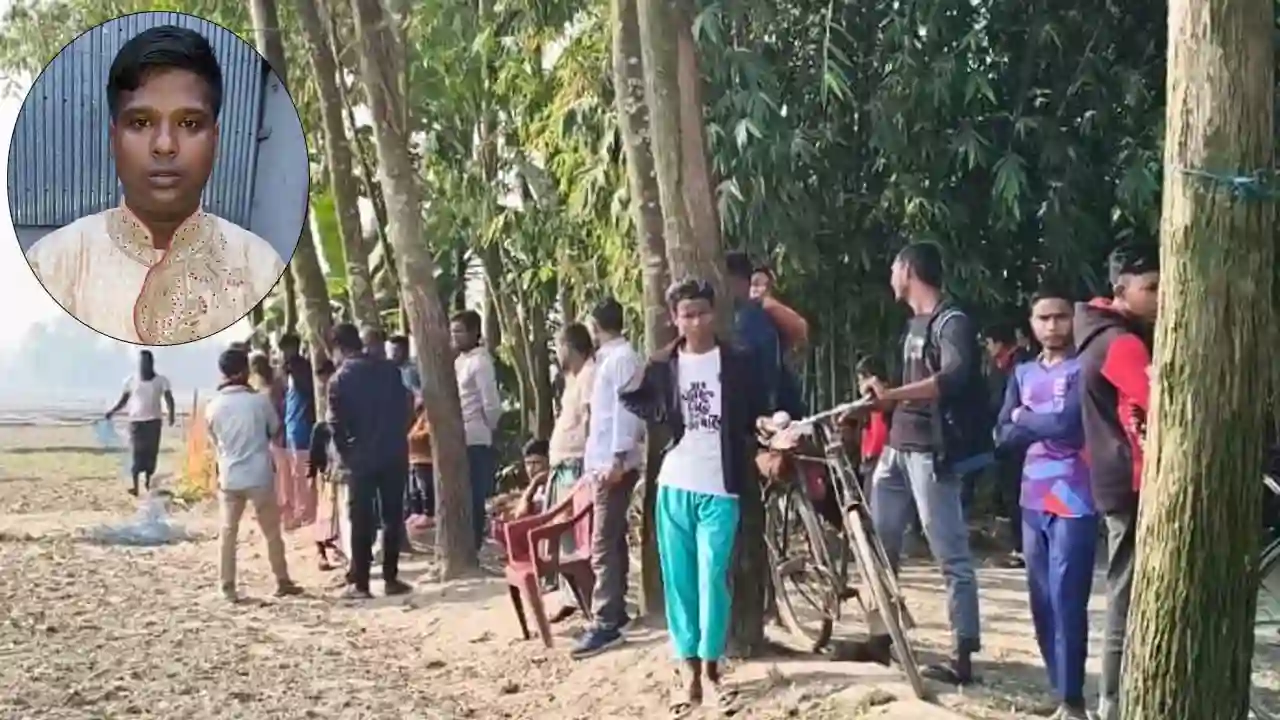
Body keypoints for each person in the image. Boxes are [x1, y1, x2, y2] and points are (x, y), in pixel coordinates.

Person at [23, 26, 284, 345]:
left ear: (214, 139)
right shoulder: (52, 265)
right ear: (114, 138)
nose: (164, 145)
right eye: (141, 122)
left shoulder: (261, 269)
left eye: (189, 123)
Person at [619, 278, 766, 716]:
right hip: (675, 483)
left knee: (713, 577)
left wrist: (762, 433)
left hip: (721, 485)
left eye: (702, 312)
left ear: (713, 314)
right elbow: (631, 397)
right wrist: (665, 415)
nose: (696, 322)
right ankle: (688, 670)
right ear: (675, 319)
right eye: (688, 315)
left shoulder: (737, 360)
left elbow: (757, 408)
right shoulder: (663, 363)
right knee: (680, 583)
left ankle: (711, 669)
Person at [851, 241, 988, 684]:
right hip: (897, 447)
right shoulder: (914, 324)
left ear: (908, 271)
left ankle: (962, 653)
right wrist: (881, 395)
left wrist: (891, 395)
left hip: (931, 451)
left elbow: (952, 377)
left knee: (949, 551)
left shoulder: (952, 321)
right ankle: (881, 635)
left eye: (894, 268)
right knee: (879, 544)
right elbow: (913, 384)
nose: (890, 277)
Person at [995, 288, 1095, 720]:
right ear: (1031, 324)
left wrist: (1024, 418)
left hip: (1074, 494)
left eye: (1060, 317)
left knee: (1067, 596)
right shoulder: (1021, 373)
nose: (1052, 326)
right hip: (1033, 497)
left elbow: (1070, 427)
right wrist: (1033, 424)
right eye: (1043, 318)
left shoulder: (1083, 368)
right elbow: (1001, 435)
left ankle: (1073, 700)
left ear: (1073, 319)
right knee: (1041, 600)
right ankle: (1059, 692)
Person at [1074, 243, 1158, 720]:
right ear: (1121, 289)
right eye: (1151, 288)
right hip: (1130, 481)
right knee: (1124, 596)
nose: (1161, 297)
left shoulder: (1095, 333)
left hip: (1112, 476)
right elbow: (1161, 404)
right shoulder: (1122, 343)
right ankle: (1112, 702)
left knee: (1124, 589)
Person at [573, 297, 645, 659]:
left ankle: (605, 621)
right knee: (612, 540)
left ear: (595, 325)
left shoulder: (622, 359)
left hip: (614, 465)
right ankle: (615, 610)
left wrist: (618, 458)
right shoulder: (609, 359)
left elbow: (626, 413)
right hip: (604, 462)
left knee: (602, 544)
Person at [204, 348, 302, 602]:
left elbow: (215, 441)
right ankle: (282, 580)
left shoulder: (213, 406)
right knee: (271, 532)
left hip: (230, 476)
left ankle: (227, 586)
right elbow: (275, 430)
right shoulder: (259, 401)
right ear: (244, 371)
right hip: (259, 475)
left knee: (228, 532)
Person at [326, 323, 414, 599]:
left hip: (360, 460)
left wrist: (346, 455)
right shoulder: (390, 370)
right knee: (392, 518)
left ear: (338, 348)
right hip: (394, 453)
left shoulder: (340, 379)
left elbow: (335, 425)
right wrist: (398, 434)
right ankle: (391, 578)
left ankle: (361, 584)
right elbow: (408, 405)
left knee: (361, 521)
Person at [542, 322, 596, 623]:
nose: (556, 352)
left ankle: (587, 600)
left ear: (569, 346)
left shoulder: (589, 374)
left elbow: (589, 419)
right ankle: (570, 596)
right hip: (562, 465)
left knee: (576, 537)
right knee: (562, 535)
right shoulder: (572, 378)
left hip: (576, 465)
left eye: (558, 346)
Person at [725, 252, 802, 418]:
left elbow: (767, 369)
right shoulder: (739, 315)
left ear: (739, 281)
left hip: (769, 411)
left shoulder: (752, 316)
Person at [982, 322, 1034, 567]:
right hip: (1004, 439)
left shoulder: (1021, 365)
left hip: (1018, 439)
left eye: (988, 343)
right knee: (1008, 492)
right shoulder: (1001, 365)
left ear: (999, 343)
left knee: (1017, 493)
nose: (987, 349)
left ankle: (1024, 548)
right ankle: (1018, 544)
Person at [451, 310, 503, 550]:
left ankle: (473, 546)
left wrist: (488, 428)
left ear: (474, 332)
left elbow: (490, 403)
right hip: (457, 437)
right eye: (453, 332)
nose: (455, 336)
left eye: (460, 332)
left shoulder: (481, 362)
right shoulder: (459, 361)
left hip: (476, 435)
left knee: (474, 494)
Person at [107, 349, 175, 496]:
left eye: (147, 362)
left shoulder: (161, 381)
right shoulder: (131, 380)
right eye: (142, 362)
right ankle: (135, 486)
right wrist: (112, 411)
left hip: (153, 422)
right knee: (137, 454)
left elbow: (169, 399)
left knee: (151, 454)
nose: (144, 365)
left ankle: (148, 482)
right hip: (136, 422)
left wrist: (171, 415)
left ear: (152, 363)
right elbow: (123, 400)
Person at [305, 360, 345, 571]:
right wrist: (312, 472)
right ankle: (322, 552)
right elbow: (316, 448)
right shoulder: (322, 425)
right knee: (327, 513)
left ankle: (335, 550)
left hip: (341, 468)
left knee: (338, 514)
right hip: (330, 471)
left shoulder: (340, 389)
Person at [279, 332, 318, 531]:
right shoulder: (291, 369)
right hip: (293, 425)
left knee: (301, 472)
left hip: (301, 426)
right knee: (297, 473)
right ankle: (301, 510)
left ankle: (305, 512)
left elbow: (307, 393)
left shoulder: (299, 368)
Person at [748, 264, 810, 352]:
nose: (754, 289)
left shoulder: (769, 307)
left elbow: (801, 326)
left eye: (757, 284)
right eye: (753, 284)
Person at [407, 400, 434, 522]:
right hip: (415, 459)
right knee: (415, 488)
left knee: (425, 487)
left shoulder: (429, 416)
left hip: (425, 459)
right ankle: (417, 511)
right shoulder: (419, 419)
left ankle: (428, 513)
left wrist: (413, 438)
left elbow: (427, 434)